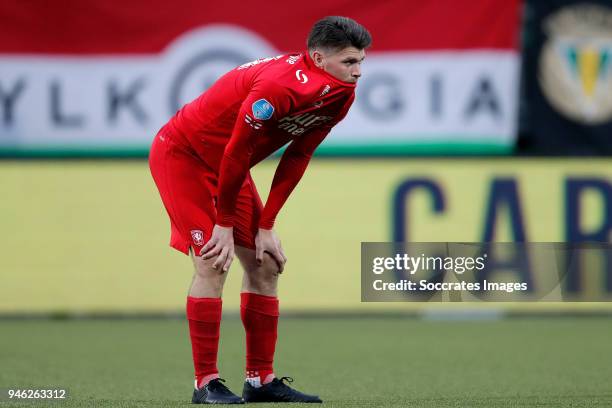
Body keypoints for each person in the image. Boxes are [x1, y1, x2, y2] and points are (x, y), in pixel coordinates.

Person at [149, 16, 371, 404]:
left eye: (361, 62)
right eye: (349, 62)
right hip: (183, 156)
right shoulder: (277, 87)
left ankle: (260, 380)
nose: (358, 71)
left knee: (265, 263)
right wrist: (224, 223)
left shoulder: (341, 94)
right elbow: (235, 152)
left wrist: (267, 224)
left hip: (229, 166)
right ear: (318, 58)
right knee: (213, 261)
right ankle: (205, 383)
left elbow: (298, 154)